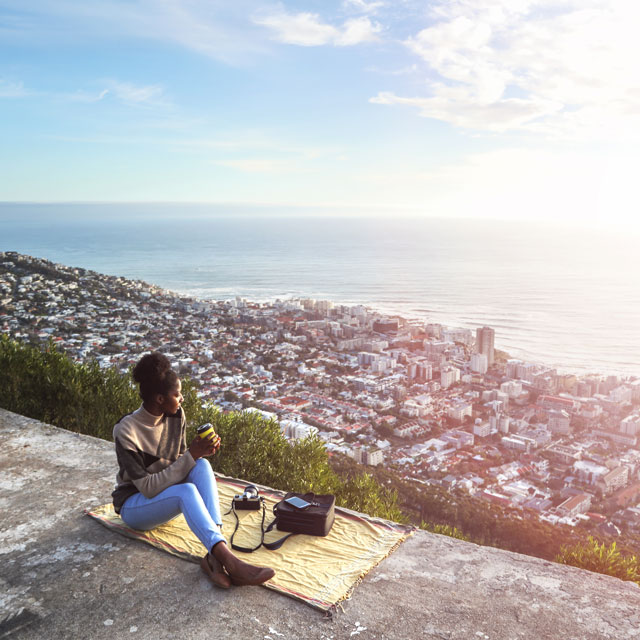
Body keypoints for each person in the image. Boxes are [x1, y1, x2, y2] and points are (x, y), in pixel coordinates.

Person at [112, 351, 275, 589]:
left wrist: (198, 454)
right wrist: (191, 454)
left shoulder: (174, 415)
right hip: (135, 505)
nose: (182, 399)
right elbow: (147, 488)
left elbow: (175, 461)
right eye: (177, 395)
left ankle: (214, 559)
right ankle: (230, 561)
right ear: (159, 398)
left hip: (164, 494)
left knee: (202, 465)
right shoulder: (127, 430)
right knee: (186, 490)